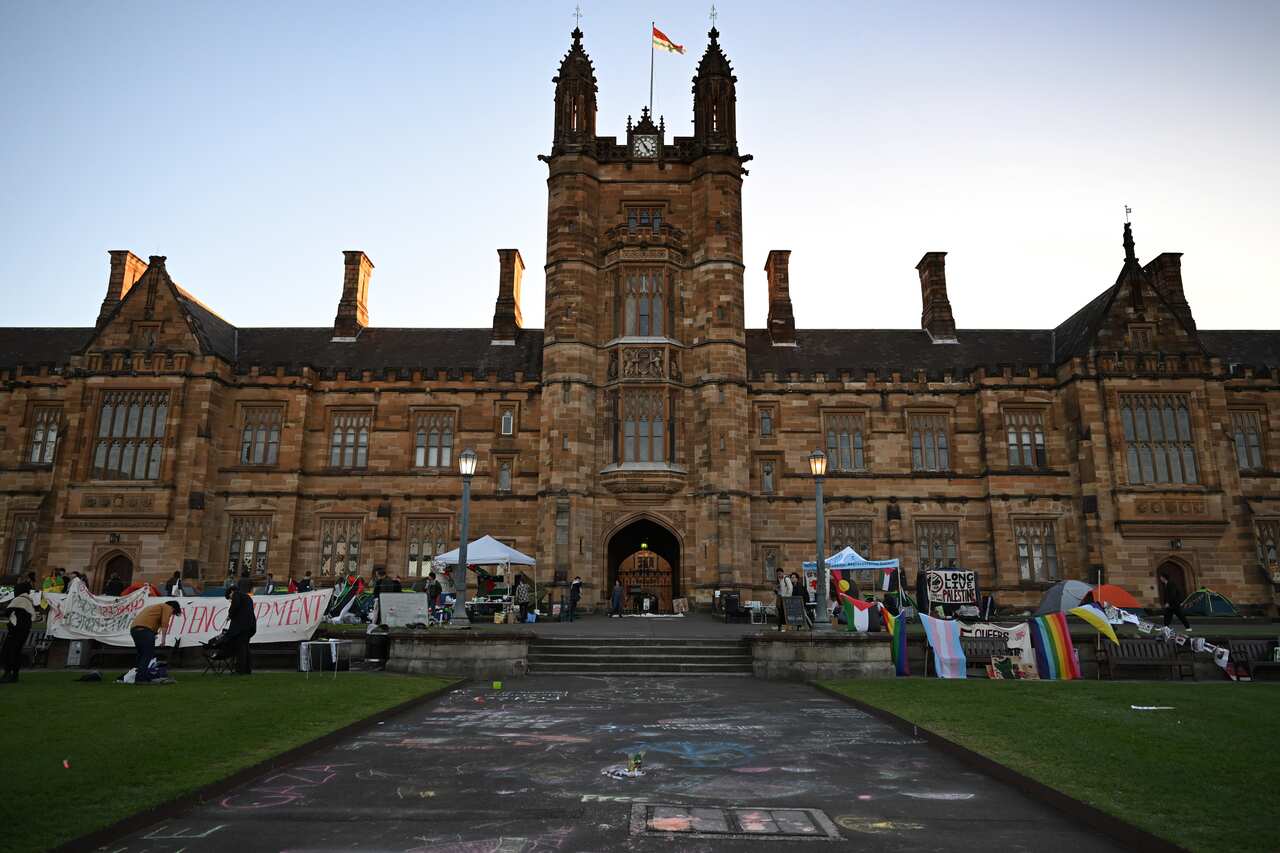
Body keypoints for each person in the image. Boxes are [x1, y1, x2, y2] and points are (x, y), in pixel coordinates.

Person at [130, 600, 181, 683]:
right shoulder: (167, 607)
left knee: (141, 655)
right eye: (173, 613)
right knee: (147, 655)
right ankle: (140, 679)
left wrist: (152, 634)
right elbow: (165, 623)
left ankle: (139, 675)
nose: (171, 615)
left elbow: (151, 621)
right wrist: (163, 640)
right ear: (173, 608)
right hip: (145, 630)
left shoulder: (153, 607)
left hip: (134, 630)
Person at [0, 582, 36, 683]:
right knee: (16, 652)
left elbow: (7, 612)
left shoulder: (19, 599)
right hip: (24, 631)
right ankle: (14, 675)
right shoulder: (29, 601)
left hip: (15, 631)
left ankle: (7, 674)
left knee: (9, 652)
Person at [225, 582, 257, 674]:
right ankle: (247, 669)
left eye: (229, 597)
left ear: (231, 592)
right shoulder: (247, 597)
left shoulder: (236, 595)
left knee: (240, 649)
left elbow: (235, 606)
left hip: (241, 627)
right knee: (246, 648)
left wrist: (230, 615)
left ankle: (240, 670)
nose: (230, 600)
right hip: (250, 626)